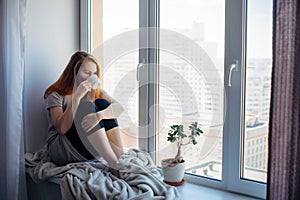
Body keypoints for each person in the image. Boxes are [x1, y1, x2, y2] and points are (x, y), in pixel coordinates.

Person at [43, 51, 124, 176]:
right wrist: (76, 98)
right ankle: (114, 165)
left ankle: (119, 159)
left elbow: (119, 108)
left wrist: (99, 116)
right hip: (63, 150)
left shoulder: (96, 91)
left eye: (94, 73)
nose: (91, 77)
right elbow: (61, 129)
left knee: (103, 104)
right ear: (74, 73)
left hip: (89, 149)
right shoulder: (55, 95)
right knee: (86, 106)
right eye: (86, 73)